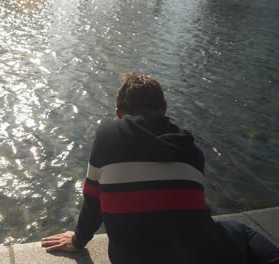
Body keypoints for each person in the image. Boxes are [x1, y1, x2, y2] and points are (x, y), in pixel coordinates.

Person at [41, 73, 279, 264]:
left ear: (119, 113)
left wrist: (79, 240)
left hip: (130, 258)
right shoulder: (191, 150)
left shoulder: (107, 136)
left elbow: (93, 202)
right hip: (201, 254)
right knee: (236, 229)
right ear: (164, 108)